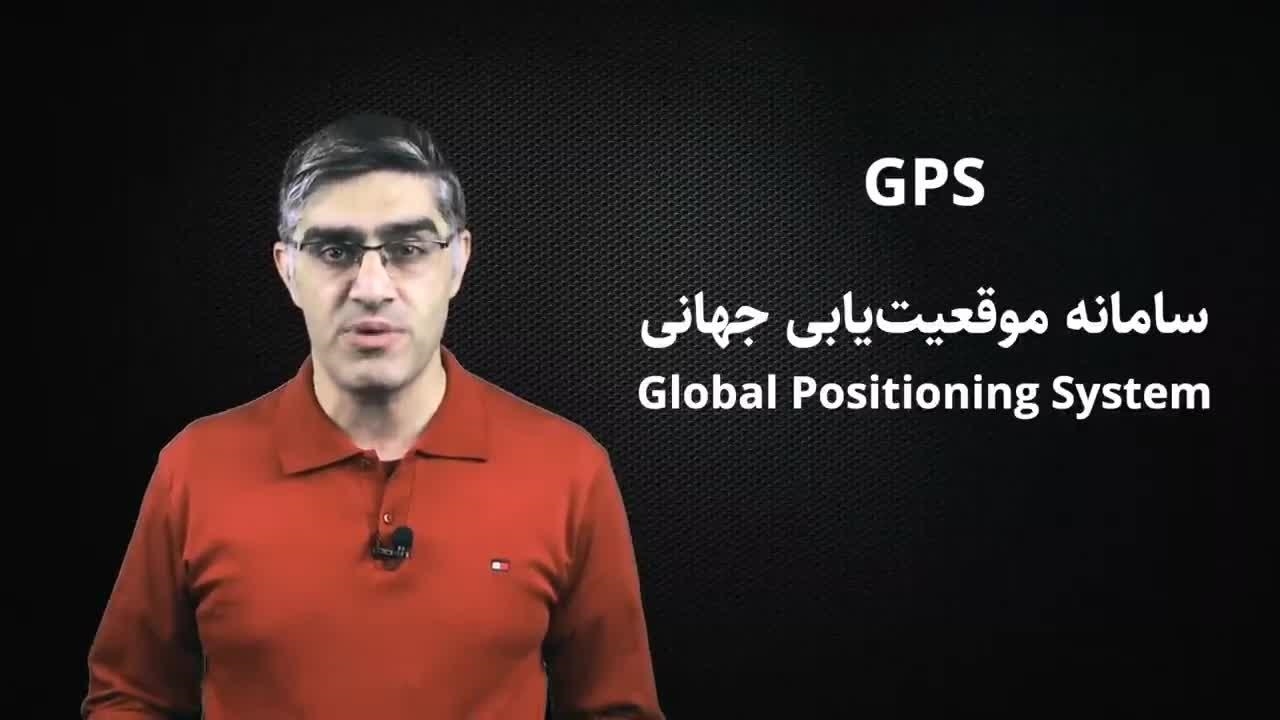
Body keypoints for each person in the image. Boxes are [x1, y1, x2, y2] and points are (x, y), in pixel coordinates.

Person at [84, 113, 664, 719]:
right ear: (287, 269)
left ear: (458, 261)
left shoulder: (568, 469)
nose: (370, 287)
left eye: (407, 249)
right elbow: (131, 697)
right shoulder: (195, 467)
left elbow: (615, 709)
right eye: (334, 251)